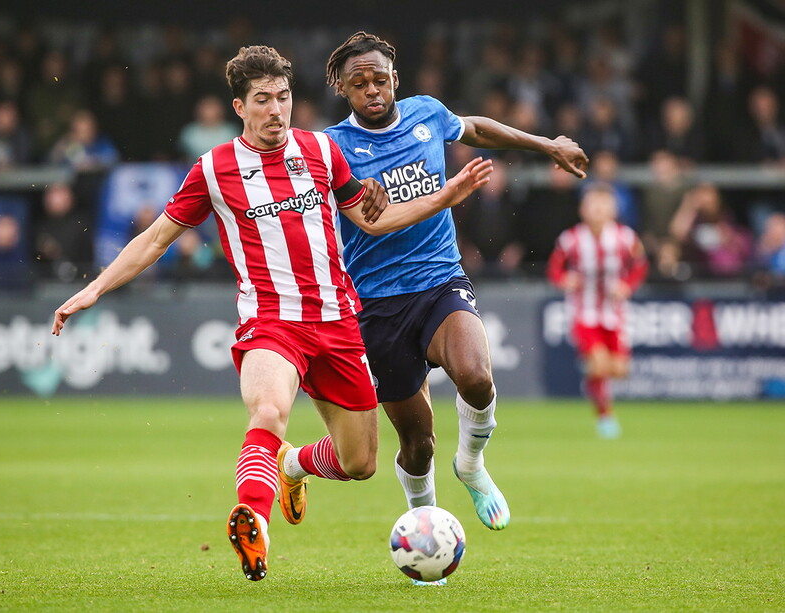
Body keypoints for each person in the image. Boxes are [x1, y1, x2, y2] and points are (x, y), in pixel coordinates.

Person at [50, 45, 492, 582]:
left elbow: (375, 222)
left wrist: (445, 197)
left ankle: (291, 464)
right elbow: (157, 239)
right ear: (240, 107)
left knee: (361, 463)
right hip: (271, 323)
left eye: (283, 97)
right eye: (263, 100)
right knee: (267, 410)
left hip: (337, 321)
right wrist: (95, 288)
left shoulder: (323, 153)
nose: (276, 110)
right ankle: (253, 521)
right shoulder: (215, 169)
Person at [322, 31, 588, 570]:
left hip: (440, 279)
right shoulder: (330, 148)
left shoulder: (427, 112)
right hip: (375, 303)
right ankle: (427, 538)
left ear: (395, 77)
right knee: (417, 444)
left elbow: (478, 129)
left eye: (379, 78)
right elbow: (320, 203)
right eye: (358, 83)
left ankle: (471, 464)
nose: (371, 89)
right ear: (340, 88)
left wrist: (547, 145)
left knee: (476, 376)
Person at [546, 184, 648, 439]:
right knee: (600, 365)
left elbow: (640, 267)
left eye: (603, 205)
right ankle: (605, 417)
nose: (598, 210)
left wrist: (627, 286)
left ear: (613, 209)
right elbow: (554, 270)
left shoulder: (626, 238)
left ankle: (589, 370)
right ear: (583, 209)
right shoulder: (570, 239)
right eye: (593, 205)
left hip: (615, 314)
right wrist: (565, 280)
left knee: (619, 371)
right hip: (584, 313)